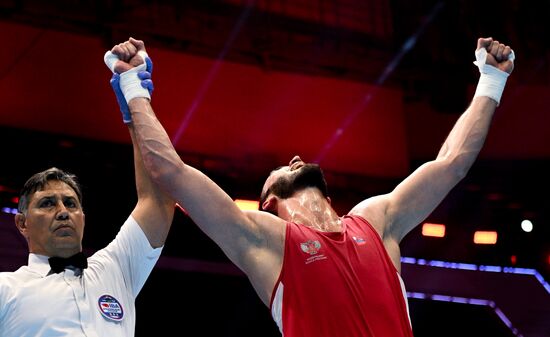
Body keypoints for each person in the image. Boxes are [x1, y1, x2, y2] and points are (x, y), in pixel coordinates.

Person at [106, 37, 514, 336]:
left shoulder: (375, 219)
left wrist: (491, 82)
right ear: (266, 201)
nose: (296, 159)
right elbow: (170, 172)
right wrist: (134, 87)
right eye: (281, 166)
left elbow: (452, 164)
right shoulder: (263, 239)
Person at [0, 71, 175, 335]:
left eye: (70, 204)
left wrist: (135, 101)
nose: (62, 212)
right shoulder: (6, 289)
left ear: (83, 216)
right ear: (22, 223)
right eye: (47, 203)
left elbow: (158, 200)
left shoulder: (115, 268)